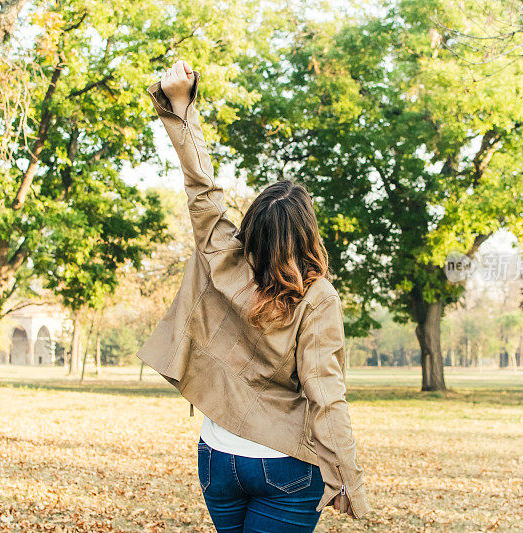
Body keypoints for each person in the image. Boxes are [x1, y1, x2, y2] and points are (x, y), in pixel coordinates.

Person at [138, 59, 370, 532]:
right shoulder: (317, 296)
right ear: (308, 235)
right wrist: (350, 478)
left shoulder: (223, 254)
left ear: (254, 226)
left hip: (216, 459)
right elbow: (326, 393)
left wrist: (181, 105)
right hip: (283, 465)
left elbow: (202, 187)